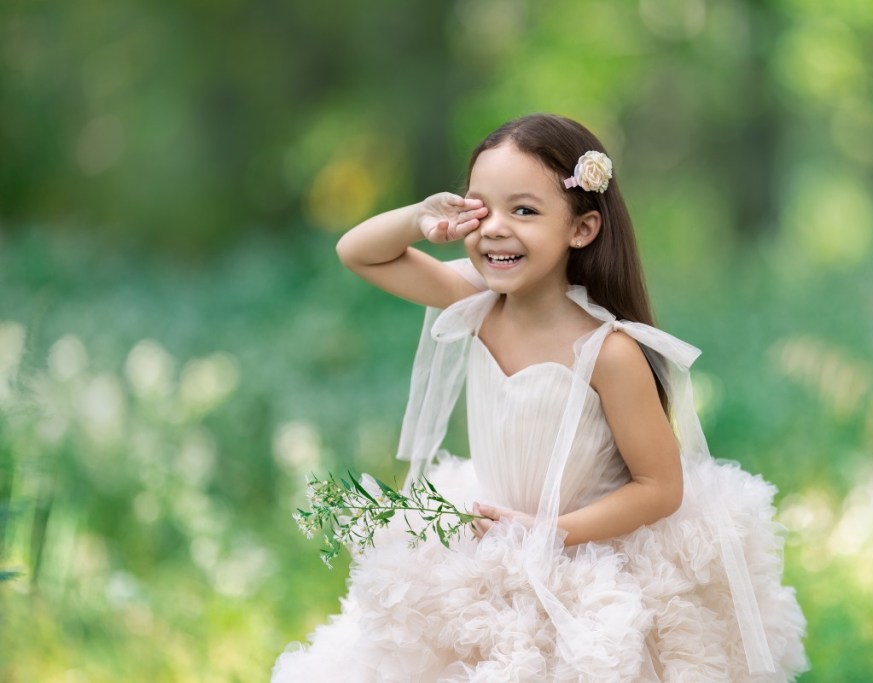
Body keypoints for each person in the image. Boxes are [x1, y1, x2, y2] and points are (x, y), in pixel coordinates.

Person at [271, 113, 808, 682]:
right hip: (491, 542)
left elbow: (661, 486)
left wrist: (548, 531)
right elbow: (359, 252)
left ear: (582, 229)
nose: (495, 228)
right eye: (481, 208)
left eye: (523, 211)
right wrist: (418, 217)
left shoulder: (608, 351)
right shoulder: (475, 303)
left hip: (581, 552)